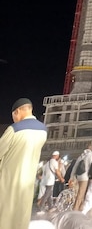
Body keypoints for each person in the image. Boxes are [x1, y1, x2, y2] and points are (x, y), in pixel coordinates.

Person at [0, 97, 47, 229]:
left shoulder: (15, 129)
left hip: (9, 182)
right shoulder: (43, 130)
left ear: (18, 111)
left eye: (14, 115)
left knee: (5, 215)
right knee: (22, 215)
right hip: (28, 183)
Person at [70, 142, 92, 211]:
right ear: (91, 148)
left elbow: (75, 167)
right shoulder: (90, 156)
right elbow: (91, 167)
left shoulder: (81, 156)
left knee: (81, 192)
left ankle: (81, 207)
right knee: (81, 193)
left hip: (79, 176)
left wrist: (72, 177)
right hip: (85, 177)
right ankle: (75, 208)